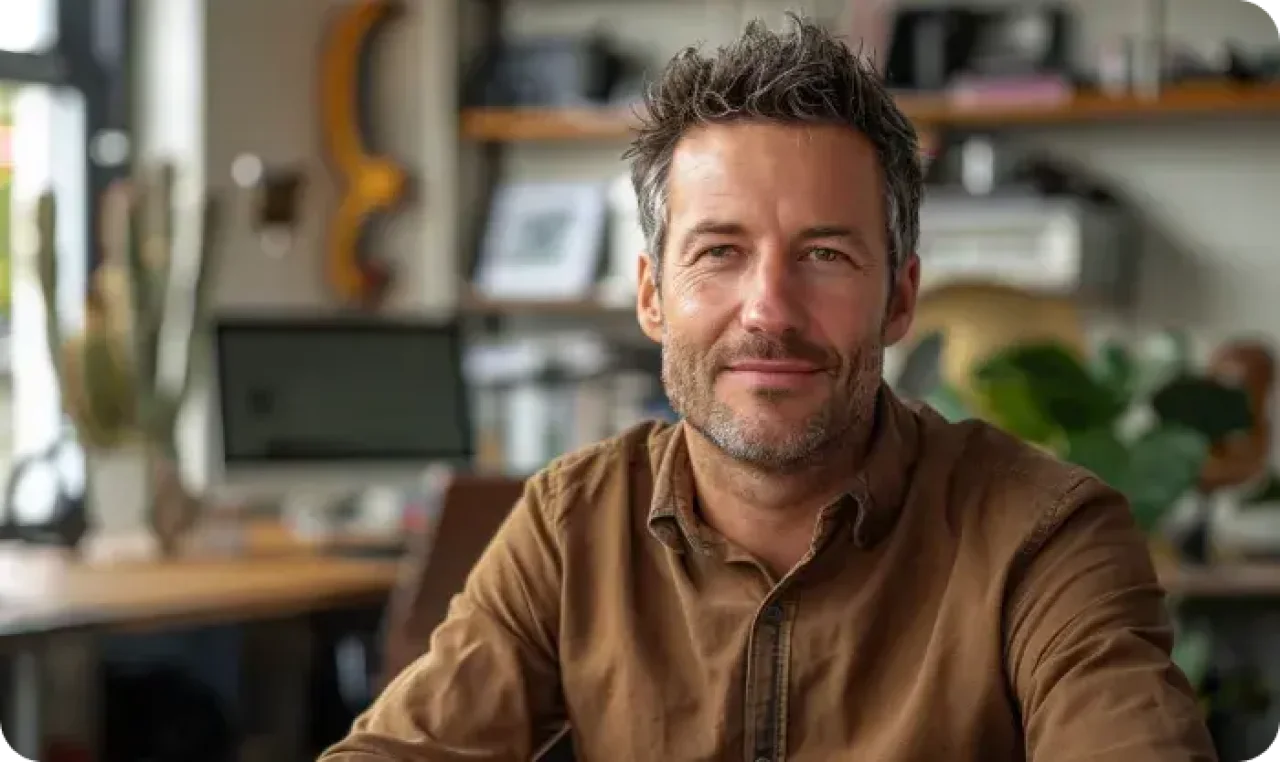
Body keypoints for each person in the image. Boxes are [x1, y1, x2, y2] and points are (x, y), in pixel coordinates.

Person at [320, 14, 1216, 762]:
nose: (769, 310)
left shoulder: (1044, 535)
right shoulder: (572, 525)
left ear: (899, 298)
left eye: (825, 255)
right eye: (719, 253)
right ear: (651, 296)